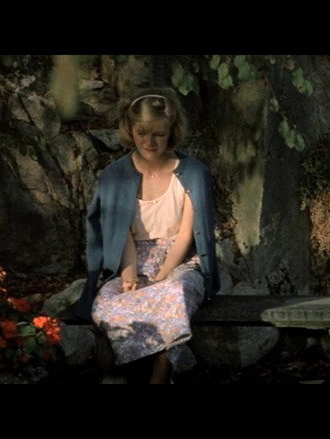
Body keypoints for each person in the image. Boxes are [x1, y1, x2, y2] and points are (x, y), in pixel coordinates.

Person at [74, 87, 220, 384]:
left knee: (175, 293)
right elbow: (121, 231)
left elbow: (187, 234)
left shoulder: (193, 172)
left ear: (172, 132)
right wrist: (129, 273)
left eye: (158, 134)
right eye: (142, 132)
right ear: (130, 130)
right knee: (105, 305)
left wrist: (163, 275)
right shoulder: (116, 174)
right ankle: (123, 372)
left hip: (179, 260)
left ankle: (160, 372)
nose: (149, 142)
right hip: (133, 257)